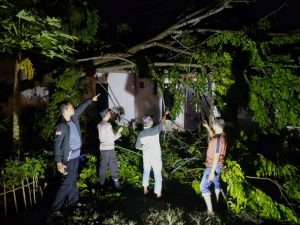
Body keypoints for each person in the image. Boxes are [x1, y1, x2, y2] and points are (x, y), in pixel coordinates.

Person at [51, 94, 100, 216]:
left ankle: (74, 202)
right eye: (72, 107)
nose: (74, 108)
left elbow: (80, 108)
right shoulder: (61, 126)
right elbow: (56, 145)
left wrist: (90, 100)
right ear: (66, 110)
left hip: (76, 156)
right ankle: (55, 209)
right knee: (67, 183)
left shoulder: (73, 118)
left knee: (73, 180)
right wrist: (58, 162)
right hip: (68, 158)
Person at [135, 110, 169, 198]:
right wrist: (165, 114)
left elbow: (137, 147)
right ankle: (158, 194)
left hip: (146, 157)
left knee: (146, 171)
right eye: (151, 120)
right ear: (149, 122)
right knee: (157, 174)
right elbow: (162, 121)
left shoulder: (141, 134)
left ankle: (145, 190)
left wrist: (144, 148)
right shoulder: (156, 130)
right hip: (156, 157)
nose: (152, 121)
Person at [200, 118, 227, 215]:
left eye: (212, 125)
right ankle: (218, 203)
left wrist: (212, 172)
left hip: (213, 166)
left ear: (215, 125)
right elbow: (213, 136)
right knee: (216, 183)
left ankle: (210, 211)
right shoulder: (221, 135)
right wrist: (207, 127)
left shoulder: (219, 139)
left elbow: (216, 156)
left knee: (203, 187)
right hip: (217, 166)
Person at [98, 108, 123, 189]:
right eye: (109, 113)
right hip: (109, 148)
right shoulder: (108, 125)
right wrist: (119, 133)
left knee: (103, 165)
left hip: (102, 149)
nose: (110, 114)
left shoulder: (99, 125)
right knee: (113, 164)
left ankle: (101, 184)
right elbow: (112, 138)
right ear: (106, 115)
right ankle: (116, 182)